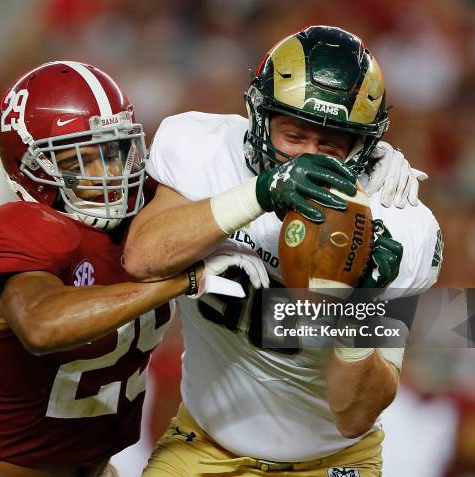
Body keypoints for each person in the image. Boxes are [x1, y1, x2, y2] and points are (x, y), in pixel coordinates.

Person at [124, 26, 443, 476]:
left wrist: (360, 308)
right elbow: (142, 257)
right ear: (259, 118)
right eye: (293, 137)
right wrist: (257, 193)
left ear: (364, 147)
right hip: (204, 448)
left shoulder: (399, 225)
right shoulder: (205, 150)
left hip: (332, 461)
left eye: (331, 144)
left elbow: (353, 416)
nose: (309, 158)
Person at [0, 61, 262, 477]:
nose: (109, 174)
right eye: (82, 160)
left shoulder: (150, 218)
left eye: (113, 151)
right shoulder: (20, 227)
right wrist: (179, 281)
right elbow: (42, 326)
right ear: (34, 169)